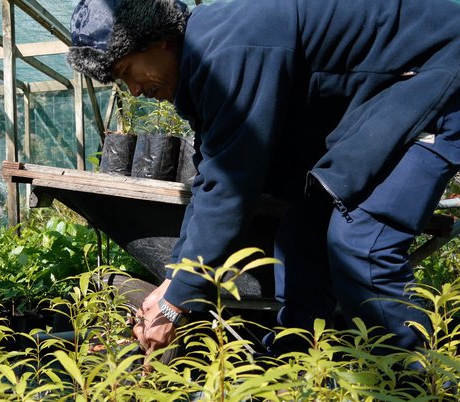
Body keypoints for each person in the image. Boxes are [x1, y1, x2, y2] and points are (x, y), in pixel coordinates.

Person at [68, 0, 460, 360]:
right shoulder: (208, 61)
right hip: (388, 98)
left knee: (361, 245)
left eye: (126, 73)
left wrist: (176, 300)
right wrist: (175, 280)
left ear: (158, 40)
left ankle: (412, 380)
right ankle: (295, 362)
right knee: (301, 233)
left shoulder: (229, 51)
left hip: (440, 75)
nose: (134, 91)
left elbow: (232, 183)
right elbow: (211, 178)